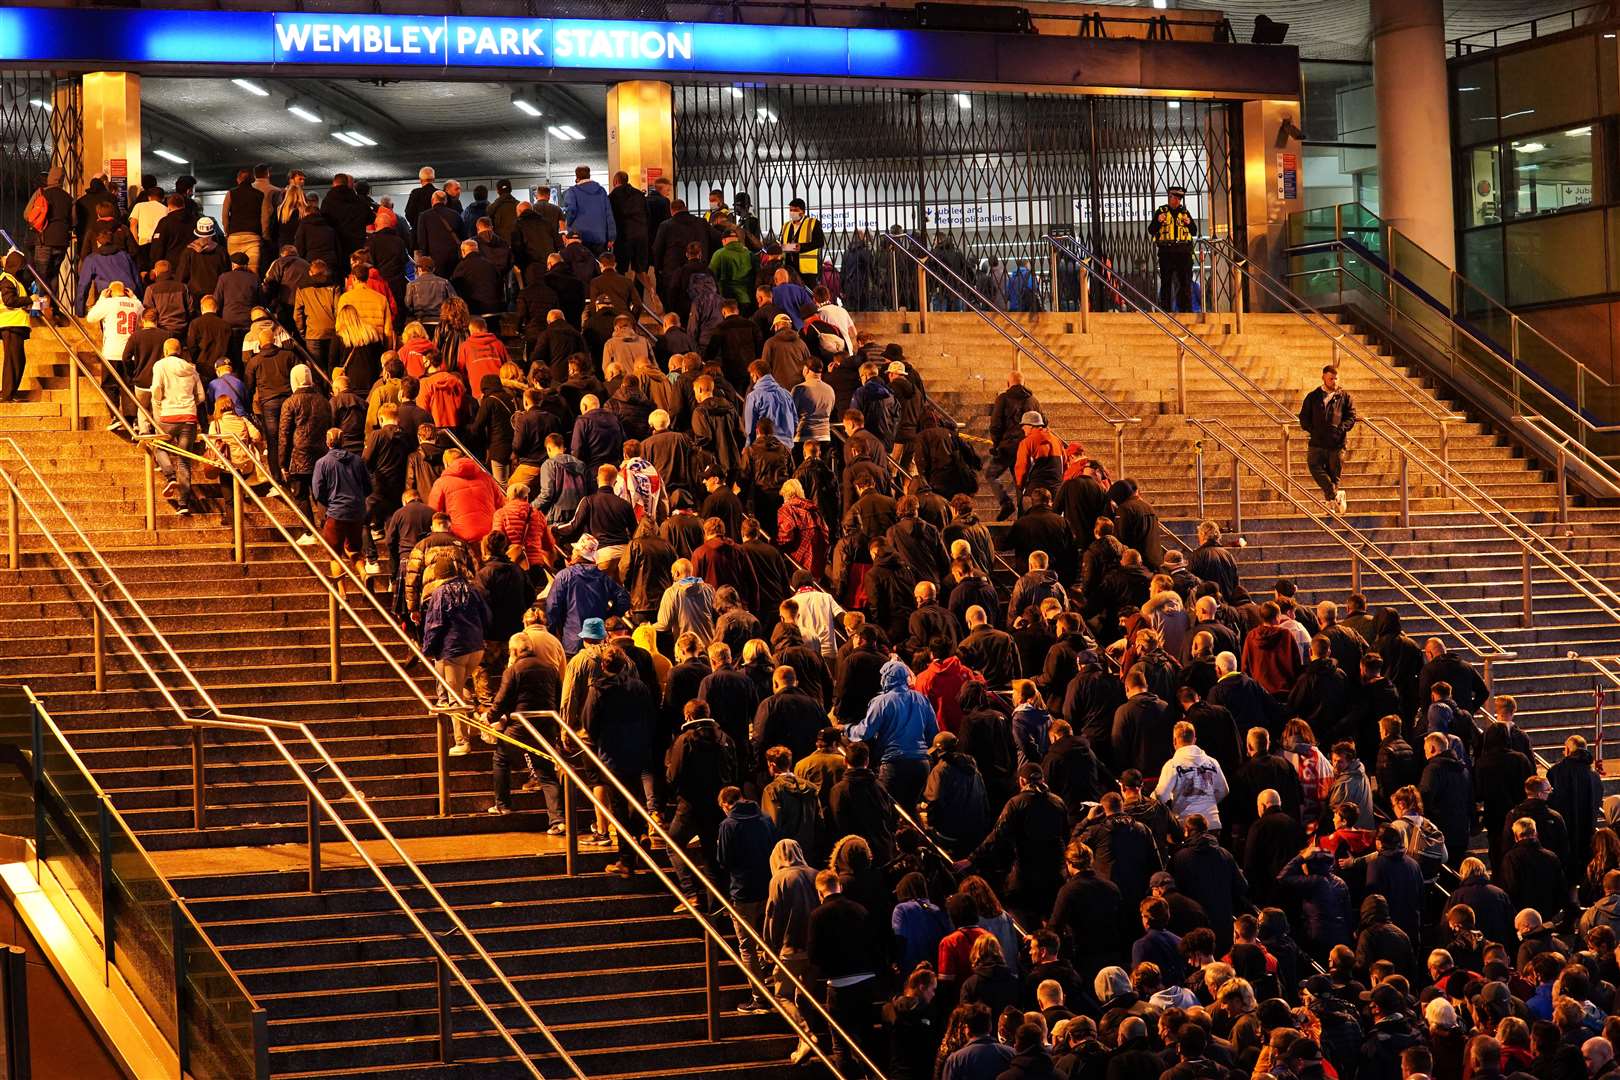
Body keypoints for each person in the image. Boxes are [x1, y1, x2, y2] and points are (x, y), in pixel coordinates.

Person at [1299, 364, 1357, 514]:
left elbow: (1351, 416)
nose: (1334, 381)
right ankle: (1336, 495)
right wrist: (1312, 430)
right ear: (1323, 377)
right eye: (1331, 378)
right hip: (1317, 441)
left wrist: (1341, 429)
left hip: (1336, 442)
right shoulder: (1313, 396)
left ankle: (1331, 503)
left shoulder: (1345, 397)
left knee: (1334, 474)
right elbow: (1304, 417)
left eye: (1336, 378)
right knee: (1314, 466)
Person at [1147, 185, 1197, 313]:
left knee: (1185, 282)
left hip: (1183, 252)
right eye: (1175, 198)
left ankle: (1186, 309)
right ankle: (1166, 309)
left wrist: (1189, 223)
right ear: (1170, 197)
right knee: (1166, 282)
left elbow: (1194, 231)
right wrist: (1158, 221)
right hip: (1166, 252)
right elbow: (1151, 229)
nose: (1177, 201)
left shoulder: (1184, 213)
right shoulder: (1161, 211)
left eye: (1179, 199)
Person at [780, 198, 825, 283]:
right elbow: (782, 243)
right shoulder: (786, 226)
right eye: (791, 210)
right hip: (789, 268)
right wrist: (784, 247)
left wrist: (801, 247)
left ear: (803, 211)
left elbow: (820, 242)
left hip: (807, 269)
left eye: (796, 210)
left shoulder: (813, 223)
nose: (792, 212)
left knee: (808, 294)